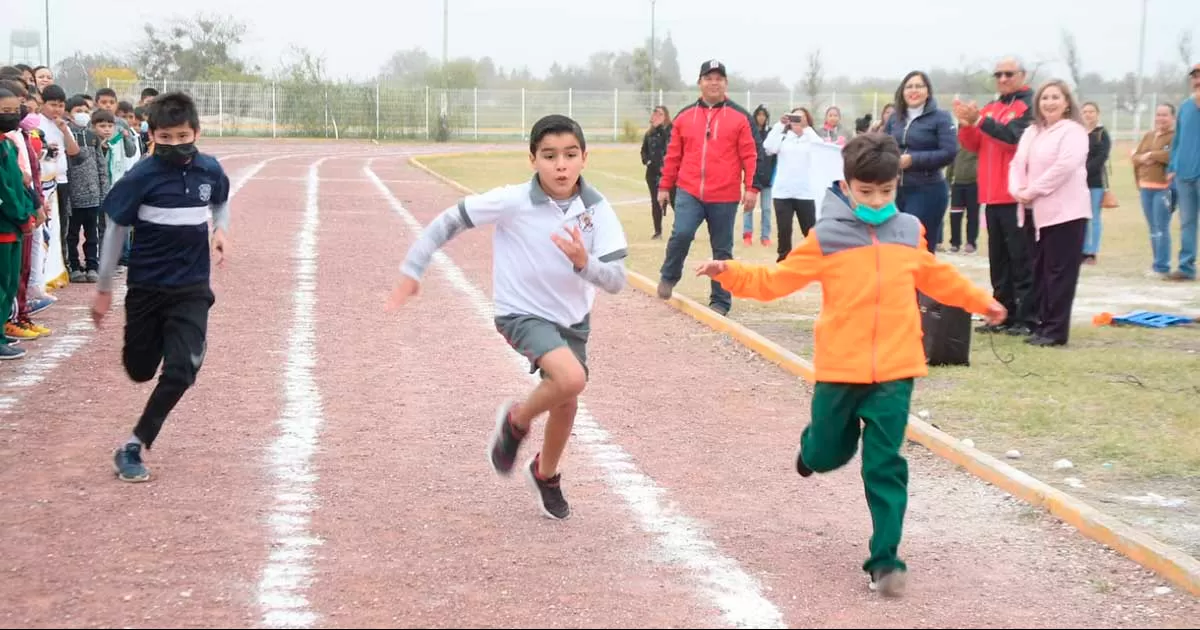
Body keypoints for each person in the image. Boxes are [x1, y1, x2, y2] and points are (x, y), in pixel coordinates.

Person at [696, 132, 1004, 596]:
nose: (877, 200)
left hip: (896, 372)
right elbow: (778, 279)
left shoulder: (908, 231)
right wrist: (731, 272)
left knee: (884, 464)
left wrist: (983, 302)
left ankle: (885, 561)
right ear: (847, 185)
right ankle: (810, 450)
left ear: (897, 185)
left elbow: (938, 277)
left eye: (886, 191)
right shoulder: (828, 237)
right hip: (840, 370)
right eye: (866, 192)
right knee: (828, 453)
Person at [388, 114, 628, 521]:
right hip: (521, 312)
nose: (560, 165)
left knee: (566, 403)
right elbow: (451, 220)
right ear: (532, 159)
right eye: (549, 156)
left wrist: (585, 263)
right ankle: (516, 423)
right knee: (571, 378)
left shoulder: (598, 210)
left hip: (572, 319)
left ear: (585, 158)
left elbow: (617, 280)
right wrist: (413, 269)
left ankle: (545, 473)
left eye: (570, 155)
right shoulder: (512, 200)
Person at [91, 92, 231, 483]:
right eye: (165, 137)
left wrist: (221, 229)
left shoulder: (210, 170)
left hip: (191, 287)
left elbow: (221, 201)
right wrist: (103, 288)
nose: (174, 144)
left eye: (182, 136)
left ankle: (134, 444)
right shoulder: (140, 177)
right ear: (152, 135)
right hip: (147, 287)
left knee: (182, 369)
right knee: (139, 370)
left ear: (196, 132)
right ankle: (144, 360)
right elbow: (116, 229)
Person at [655, 59, 762, 317]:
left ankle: (721, 301)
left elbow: (750, 155)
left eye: (719, 78)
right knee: (681, 234)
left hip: (724, 195)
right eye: (708, 78)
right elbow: (672, 156)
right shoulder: (684, 117)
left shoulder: (740, 118)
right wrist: (664, 186)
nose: (714, 82)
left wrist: (751, 188)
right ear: (699, 83)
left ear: (725, 83)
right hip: (689, 190)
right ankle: (669, 276)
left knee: (722, 249)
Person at [954, 56, 1037, 337]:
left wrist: (979, 120)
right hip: (990, 195)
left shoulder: (1029, 106)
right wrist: (967, 125)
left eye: (1008, 74)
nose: (1002, 79)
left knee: (1021, 260)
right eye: (998, 74)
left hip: (1015, 196)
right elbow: (973, 144)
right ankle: (1002, 313)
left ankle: (1026, 317)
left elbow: (1012, 137)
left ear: (1022, 75)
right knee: (999, 262)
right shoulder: (991, 107)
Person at [1008, 80, 1091, 347]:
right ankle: (1042, 324)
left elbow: (1064, 167)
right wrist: (1017, 189)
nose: (1050, 103)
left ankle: (1055, 330)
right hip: (1034, 214)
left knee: (1059, 273)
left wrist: (1032, 190)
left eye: (1056, 97)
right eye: (1045, 98)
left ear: (1067, 102)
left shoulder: (1074, 132)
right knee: (1040, 271)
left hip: (1065, 214)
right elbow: (1017, 163)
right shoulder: (1032, 131)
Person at [884, 70, 957, 253]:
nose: (913, 90)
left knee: (917, 246)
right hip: (896, 190)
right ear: (902, 91)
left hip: (928, 189)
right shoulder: (894, 119)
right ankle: (902, 283)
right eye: (909, 86)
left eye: (919, 86)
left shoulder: (941, 118)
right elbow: (882, 144)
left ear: (928, 91)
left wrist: (913, 160)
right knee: (895, 247)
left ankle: (921, 283)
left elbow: (949, 152)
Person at [1, 87, 36, 360]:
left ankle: (2, 331)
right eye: (6, 111)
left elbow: (20, 182)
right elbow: (5, 190)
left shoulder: (7, 144)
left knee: (10, 281)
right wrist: (20, 214)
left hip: (14, 225)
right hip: (4, 224)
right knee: (2, 282)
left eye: (15, 111)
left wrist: (28, 210)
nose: (13, 116)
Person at [762, 107, 823, 261]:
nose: (797, 122)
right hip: (783, 192)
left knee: (809, 230)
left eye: (801, 118)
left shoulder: (811, 138)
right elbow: (768, 147)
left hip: (805, 192)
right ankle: (783, 260)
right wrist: (779, 125)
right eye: (794, 118)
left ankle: (815, 259)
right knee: (784, 230)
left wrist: (806, 129)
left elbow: (820, 148)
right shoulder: (783, 138)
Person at [1165, 63, 1200, 281]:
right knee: (1187, 222)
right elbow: (1177, 140)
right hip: (1185, 175)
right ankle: (1186, 267)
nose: (1197, 80)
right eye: (1194, 77)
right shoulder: (1185, 107)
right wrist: (1172, 167)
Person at [1133, 104, 1176, 279]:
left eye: (1165, 115)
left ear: (1172, 118)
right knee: (1152, 228)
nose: (1160, 118)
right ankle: (1156, 263)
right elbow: (1135, 157)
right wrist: (1143, 157)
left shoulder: (1175, 136)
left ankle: (1163, 266)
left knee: (1161, 227)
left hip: (1164, 188)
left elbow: (1171, 156)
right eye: (1158, 114)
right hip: (1145, 187)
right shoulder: (1149, 135)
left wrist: (1150, 155)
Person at [1080, 101, 1111, 264]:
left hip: (1094, 182)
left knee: (1093, 218)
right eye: (1085, 111)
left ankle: (1091, 252)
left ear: (1097, 113)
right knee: (1080, 217)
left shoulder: (1101, 133)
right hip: (1076, 183)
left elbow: (1101, 156)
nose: (1088, 114)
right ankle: (1081, 250)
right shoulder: (1078, 132)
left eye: (1091, 111)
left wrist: (1083, 171)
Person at [743, 104, 775, 247]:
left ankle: (765, 236)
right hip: (752, 176)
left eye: (764, 115)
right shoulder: (750, 133)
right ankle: (747, 234)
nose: (761, 118)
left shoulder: (772, 133)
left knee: (767, 209)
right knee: (749, 206)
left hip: (767, 177)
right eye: (759, 115)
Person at [640, 105, 672, 239]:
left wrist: (660, 127)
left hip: (668, 172)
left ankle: (683, 230)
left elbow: (670, 145)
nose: (656, 116)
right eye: (655, 113)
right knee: (655, 202)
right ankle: (658, 231)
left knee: (675, 201)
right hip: (652, 173)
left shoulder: (670, 131)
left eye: (660, 114)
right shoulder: (649, 133)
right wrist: (647, 161)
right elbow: (643, 150)